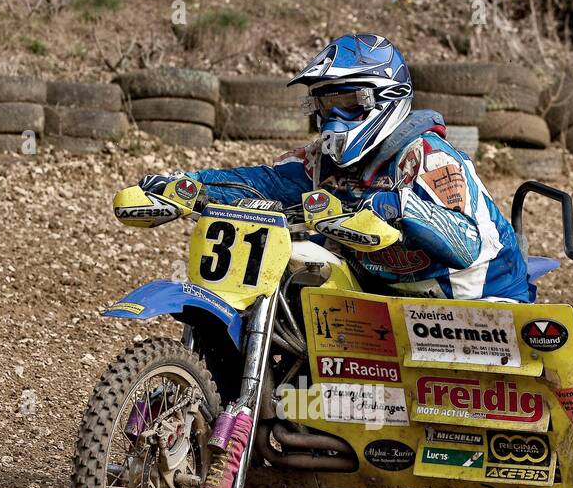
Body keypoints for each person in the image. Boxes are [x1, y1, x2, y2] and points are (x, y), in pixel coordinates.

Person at [137, 33, 532, 302]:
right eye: (326, 106)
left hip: (483, 303)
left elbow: (465, 246)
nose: (335, 119)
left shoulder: (428, 155)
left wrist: (394, 207)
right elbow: (264, 182)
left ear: (384, 98)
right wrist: (189, 187)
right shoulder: (318, 162)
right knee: (300, 275)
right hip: (387, 304)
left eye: (348, 103)